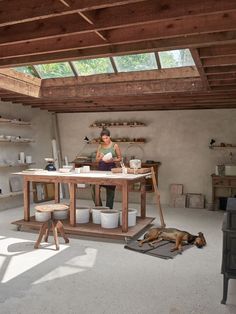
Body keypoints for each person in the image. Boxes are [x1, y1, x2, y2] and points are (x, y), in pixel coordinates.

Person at [95, 128, 122, 209]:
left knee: (110, 191)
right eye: (103, 138)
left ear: (110, 137)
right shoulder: (100, 146)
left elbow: (120, 158)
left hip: (111, 169)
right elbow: (96, 159)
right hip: (101, 169)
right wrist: (100, 157)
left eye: (106, 138)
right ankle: (99, 207)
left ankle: (109, 210)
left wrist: (113, 159)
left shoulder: (115, 145)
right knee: (94, 187)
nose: (105, 140)